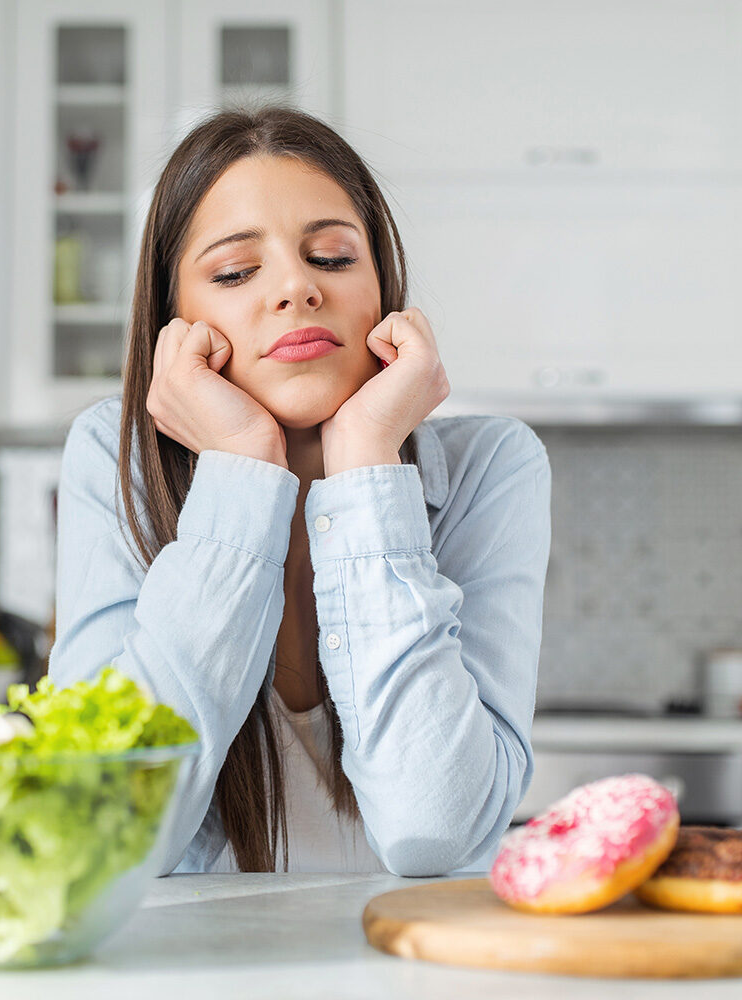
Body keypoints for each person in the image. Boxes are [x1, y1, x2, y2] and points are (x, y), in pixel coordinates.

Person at [47, 105, 552, 876]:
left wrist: (367, 464)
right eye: (235, 272)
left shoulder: (496, 466)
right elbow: (101, 831)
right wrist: (244, 471)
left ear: (383, 290)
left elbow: (437, 829)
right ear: (176, 322)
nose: (295, 288)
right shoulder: (108, 458)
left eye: (333, 257)